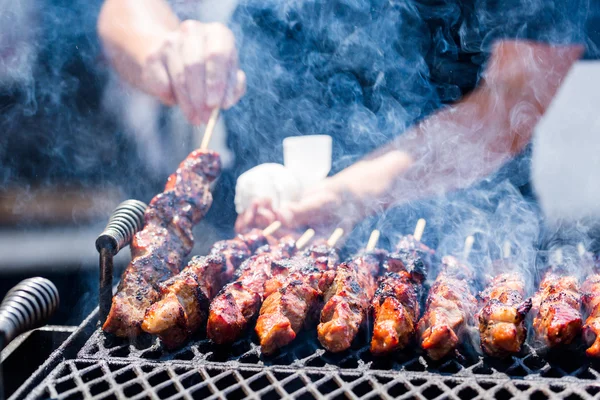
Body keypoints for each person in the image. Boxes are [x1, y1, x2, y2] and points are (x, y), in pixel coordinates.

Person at [97, 0, 597, 236]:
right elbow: (126, 9)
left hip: (458, 238)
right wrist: (167, 49)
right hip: (259, 232)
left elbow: (506, 107)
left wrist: (343, 195)